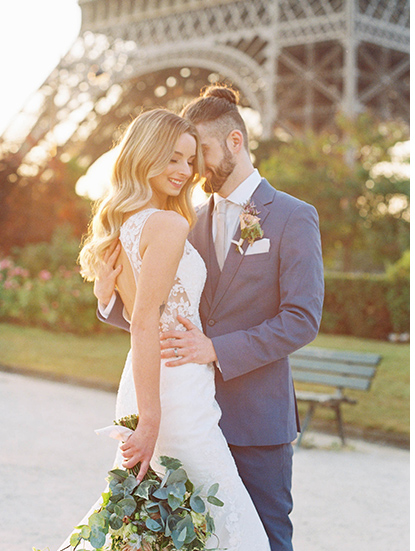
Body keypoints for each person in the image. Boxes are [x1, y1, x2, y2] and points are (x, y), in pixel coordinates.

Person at [96, 85, 324, 551]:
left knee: (265, 537)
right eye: (180, 156)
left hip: (257, 417)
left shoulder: (293, 217)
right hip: (189, 411)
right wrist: (108, 303)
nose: (190, 166)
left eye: (198, 152)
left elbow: (302, 318)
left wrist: (216, 349)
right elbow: (160, 315)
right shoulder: (185, 218)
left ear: (234, 143)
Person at [73, 108, 270, 549]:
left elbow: (134, 316)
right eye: (173, 159)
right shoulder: (167, 224)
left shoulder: (126, 224)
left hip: (152, 381)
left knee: (151, 514)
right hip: (173, 391)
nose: (184, 171)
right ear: (144, 156)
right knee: (222, 515)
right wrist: (151, 419)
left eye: (189, 160)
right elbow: (143, 322)